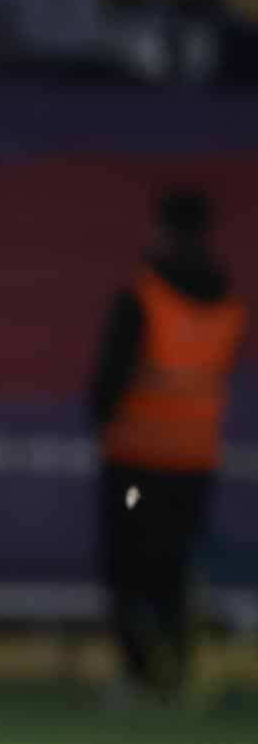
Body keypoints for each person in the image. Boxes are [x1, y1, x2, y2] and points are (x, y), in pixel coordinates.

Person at [88, 186, 247, 702]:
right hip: (195, 463)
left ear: (161, 227)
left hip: (137, 463)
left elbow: (108, 383)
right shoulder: (228, 302)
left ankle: (140, 674)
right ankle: (176, 673)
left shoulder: (143, 296)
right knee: (175, 569)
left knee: (127, 567)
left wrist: (101, 424)